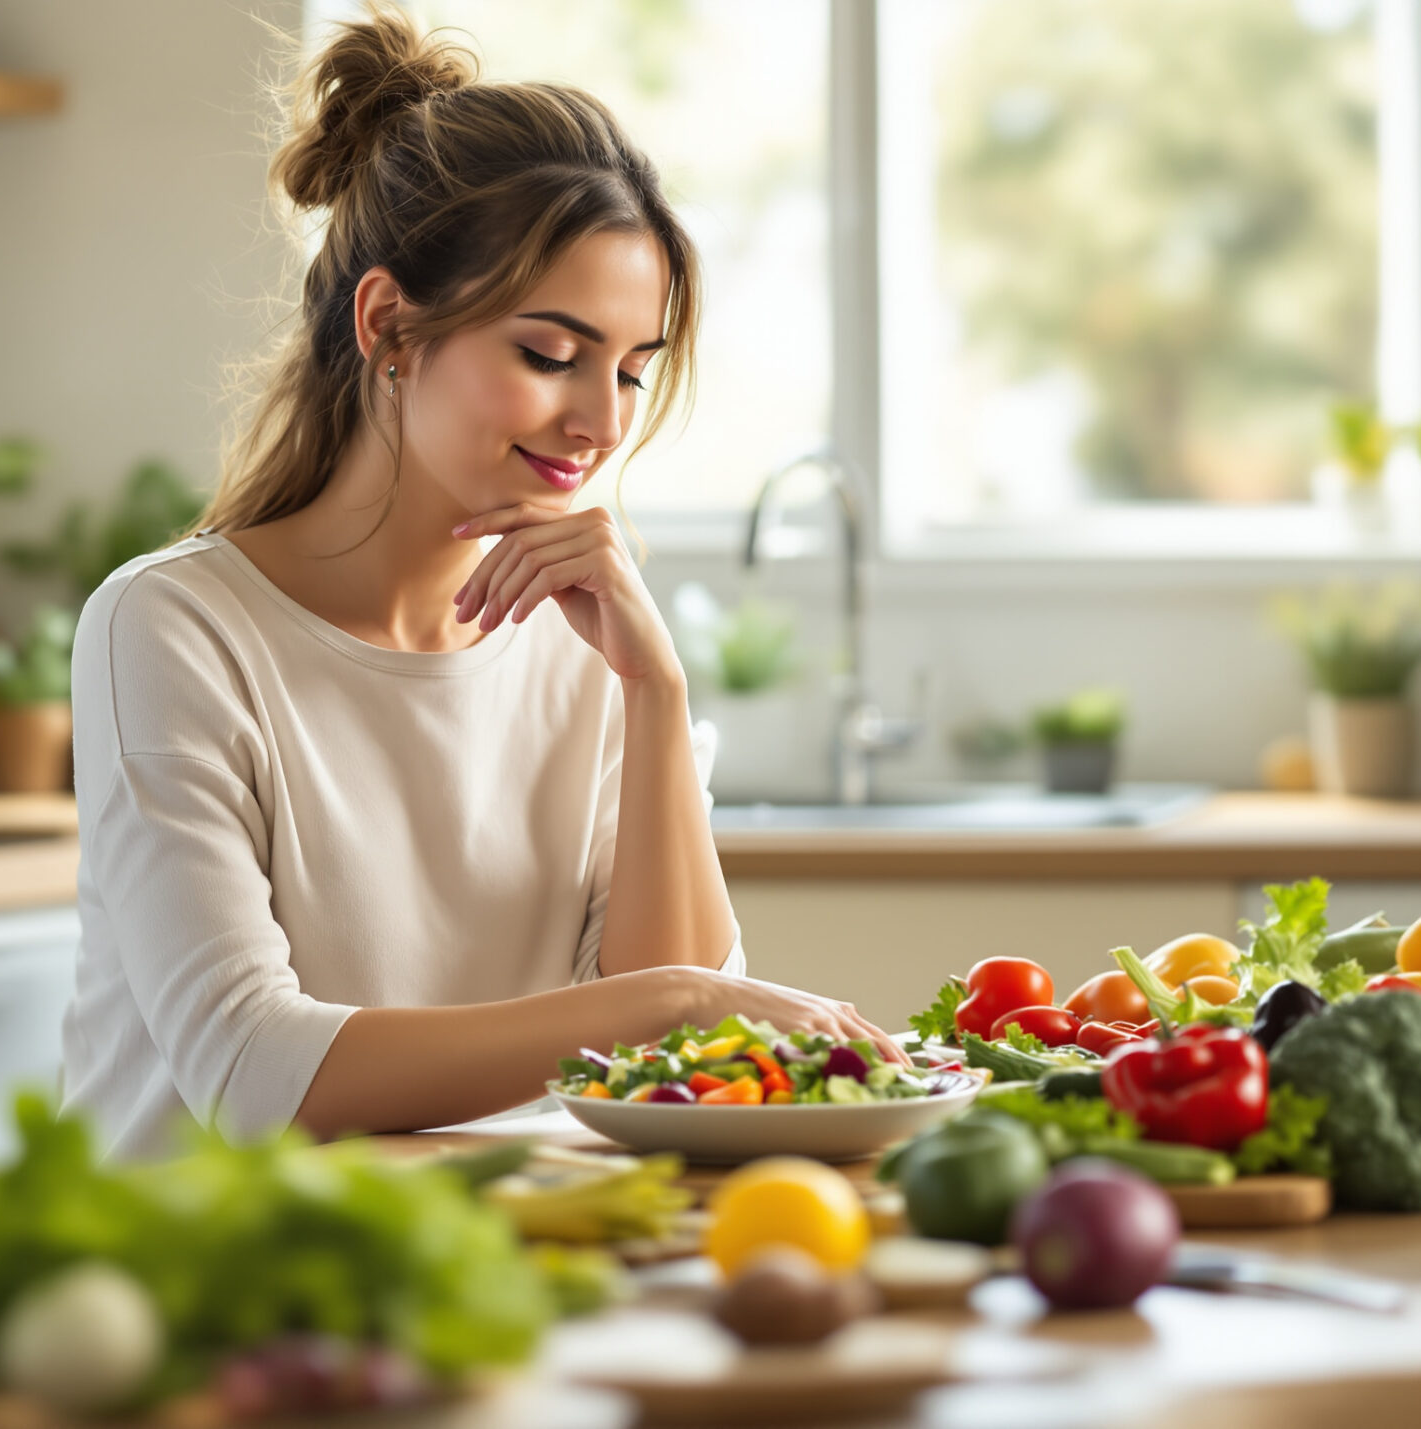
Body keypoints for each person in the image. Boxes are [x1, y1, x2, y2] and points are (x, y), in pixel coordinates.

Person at [59, 7, 897, 1159]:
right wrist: (678, 1003)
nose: (601, 422)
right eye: (550, 355)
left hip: (483, 1249)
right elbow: (251, 1072)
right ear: (389, 326)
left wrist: (654, 693)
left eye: (630, 372)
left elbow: (674, 1069)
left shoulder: (587, 647)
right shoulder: (172, 627)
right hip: (192, 1258)